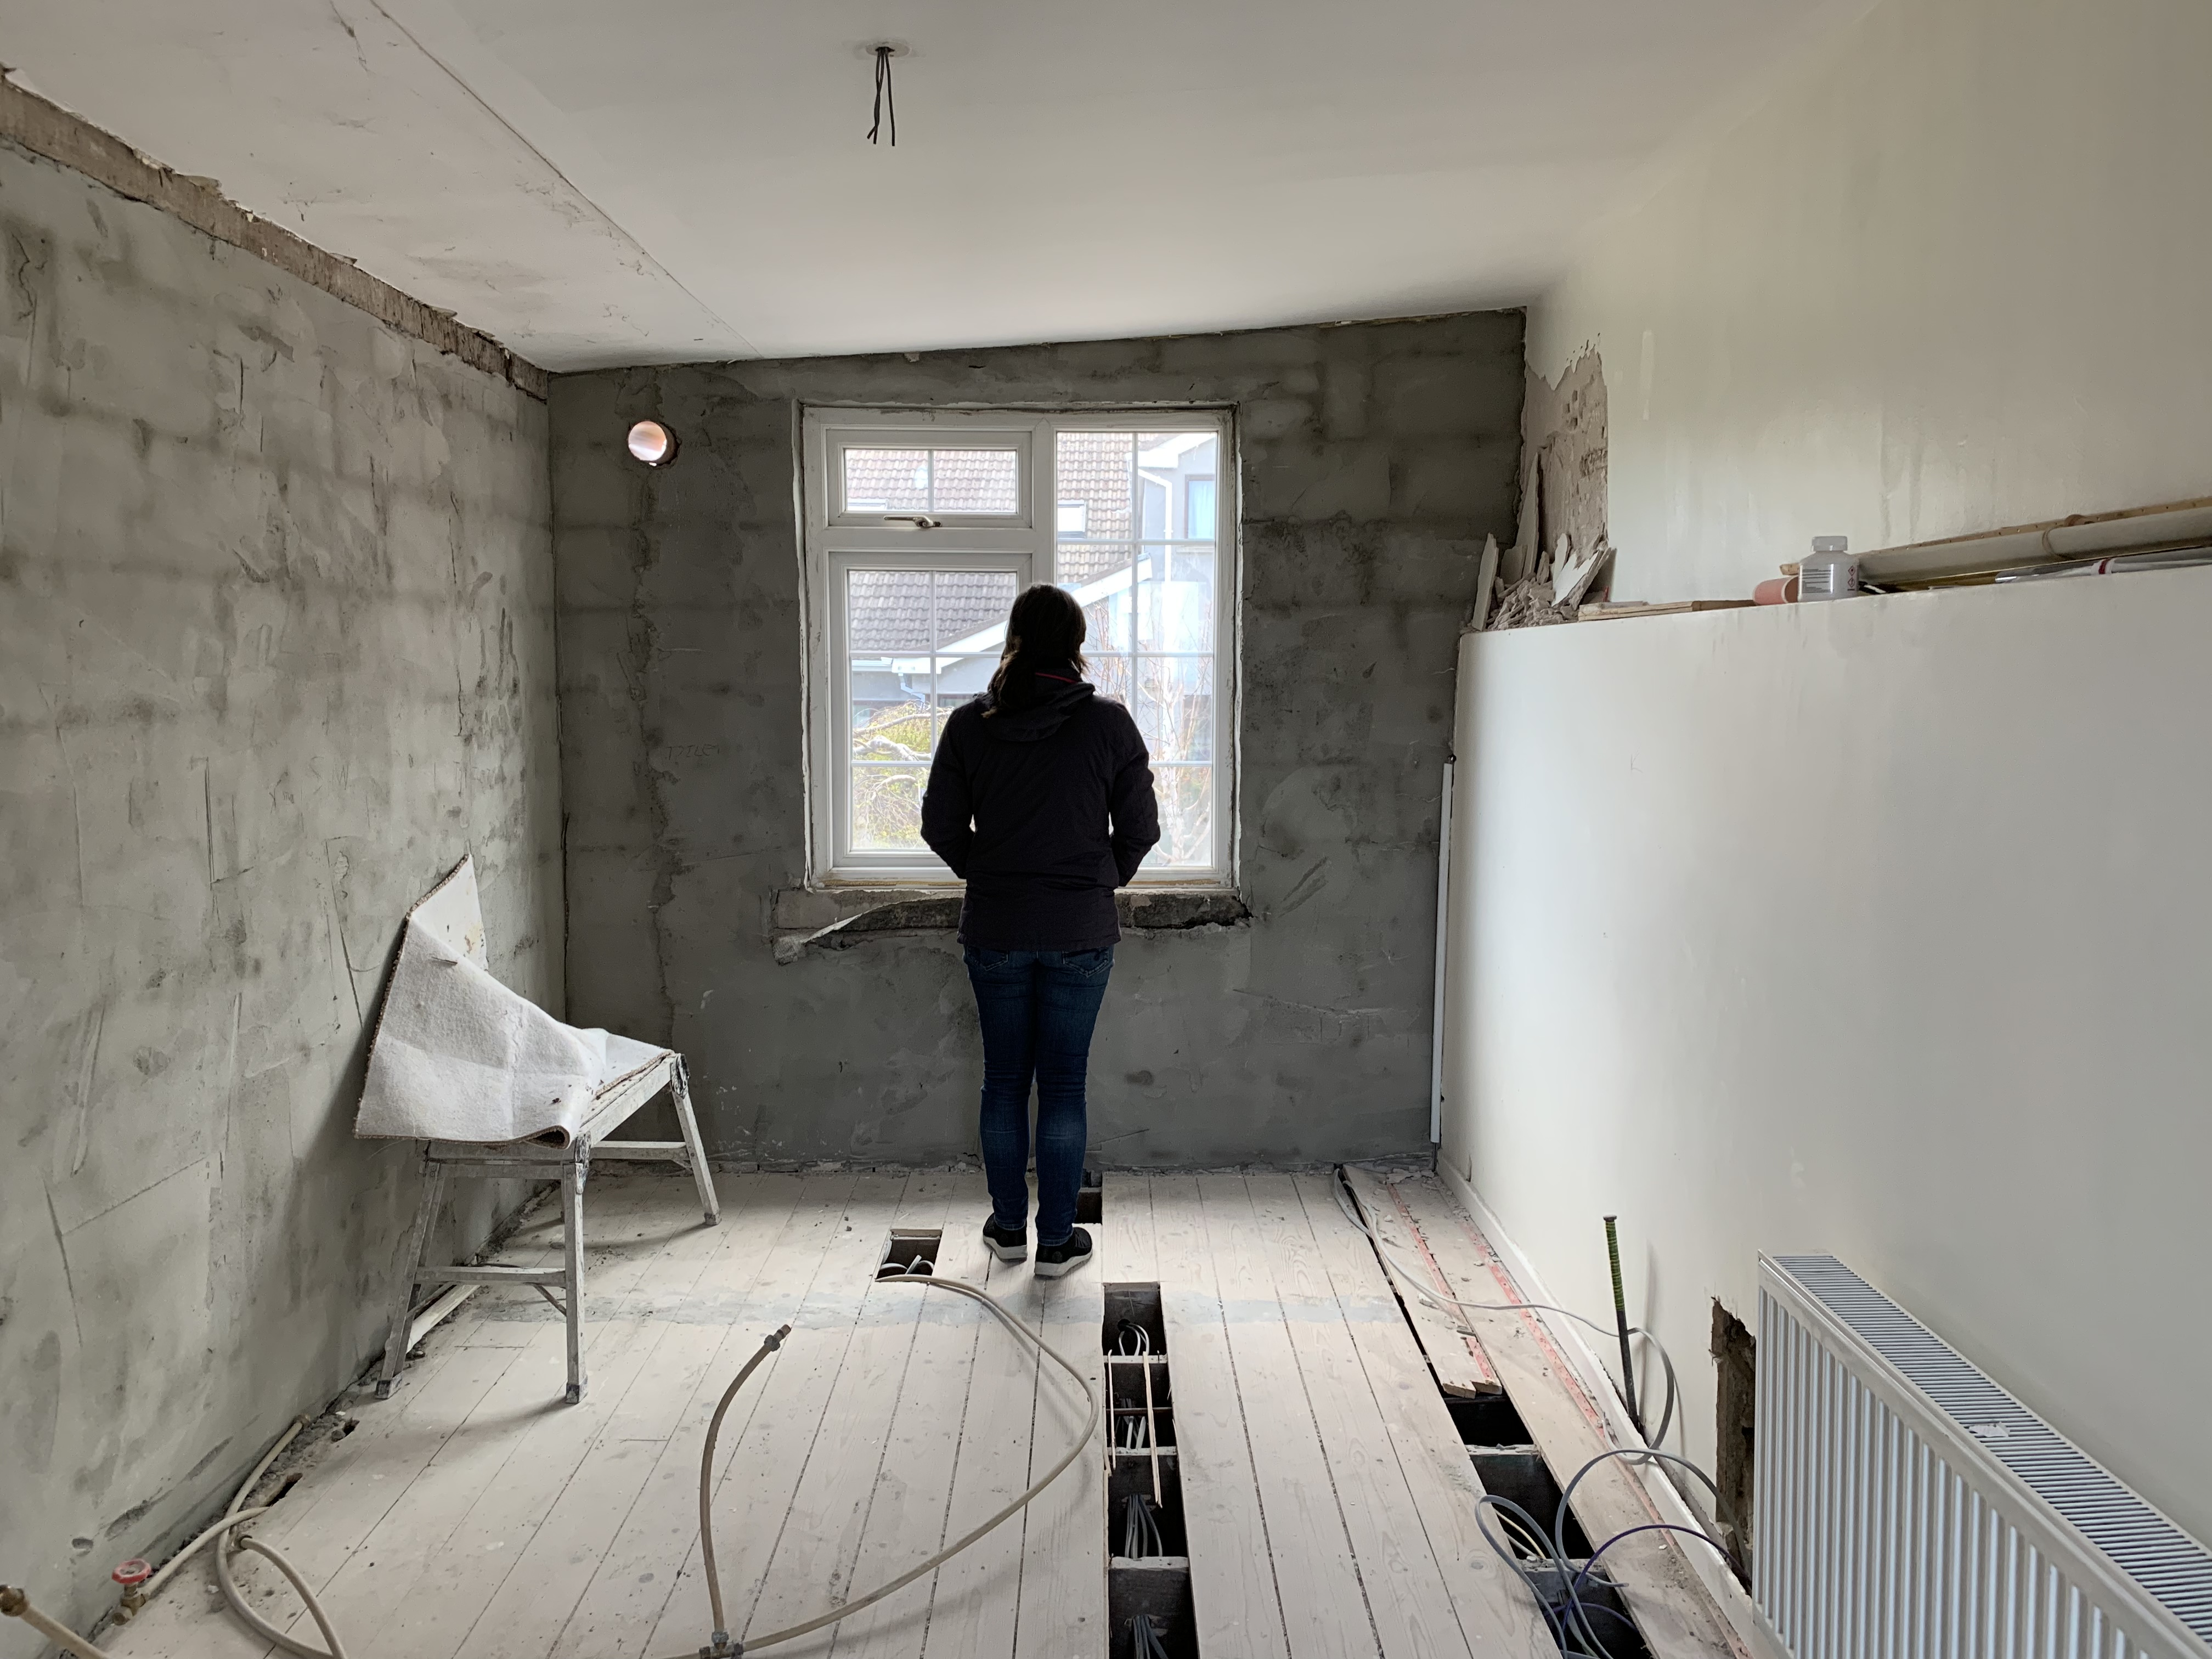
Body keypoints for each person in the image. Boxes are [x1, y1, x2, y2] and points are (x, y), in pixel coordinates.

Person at [921, 584, 1160, 1278]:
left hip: (996, 925)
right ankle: (1057, 1243)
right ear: (1077, 647)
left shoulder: (971, 725)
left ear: (1014, 639)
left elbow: (939, 826)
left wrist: (989, 871)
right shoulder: (1109, 725)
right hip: (1080, 930)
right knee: (1062, 1084)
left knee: (1003, 1081)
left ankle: (1007, 1232)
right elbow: (1141, 829)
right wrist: (1098, 878)